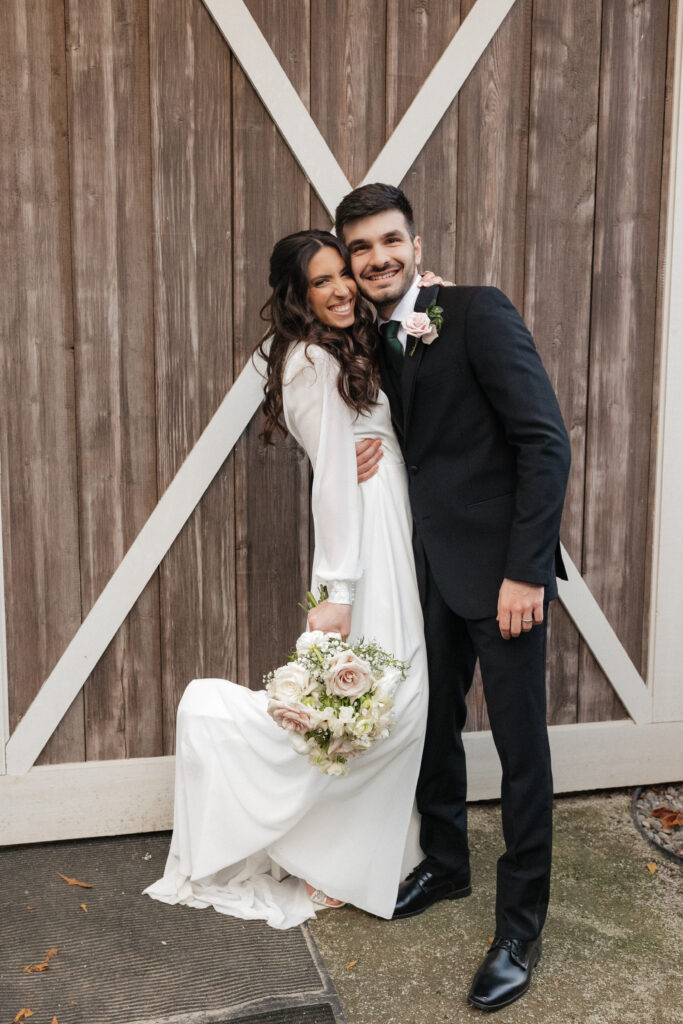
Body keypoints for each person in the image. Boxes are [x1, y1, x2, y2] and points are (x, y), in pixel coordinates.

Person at [144, 229, 433, 928]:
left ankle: (354, 852)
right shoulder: (307, 359)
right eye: (321, 283)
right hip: (363, 539)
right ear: (297, 297)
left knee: (391, 701)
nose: (339, 290)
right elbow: (333, 480)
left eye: (343, 275)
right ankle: (234, 742)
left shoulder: (343, 347)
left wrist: (428, 298)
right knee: (386, 702)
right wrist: (337, 593)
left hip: (389, 523)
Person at [336, 183, 571, 1012]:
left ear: (414, 241)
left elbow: (543, 442)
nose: (377, 259)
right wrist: (365, 449)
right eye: (361, 248)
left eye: (388, 241)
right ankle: (445, 863)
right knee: (431, 723)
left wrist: (526, 571)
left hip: (503, 574)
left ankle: (519, 927)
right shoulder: (370, 338)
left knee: (518, 751)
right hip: (425, 566)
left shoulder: (474, 310)